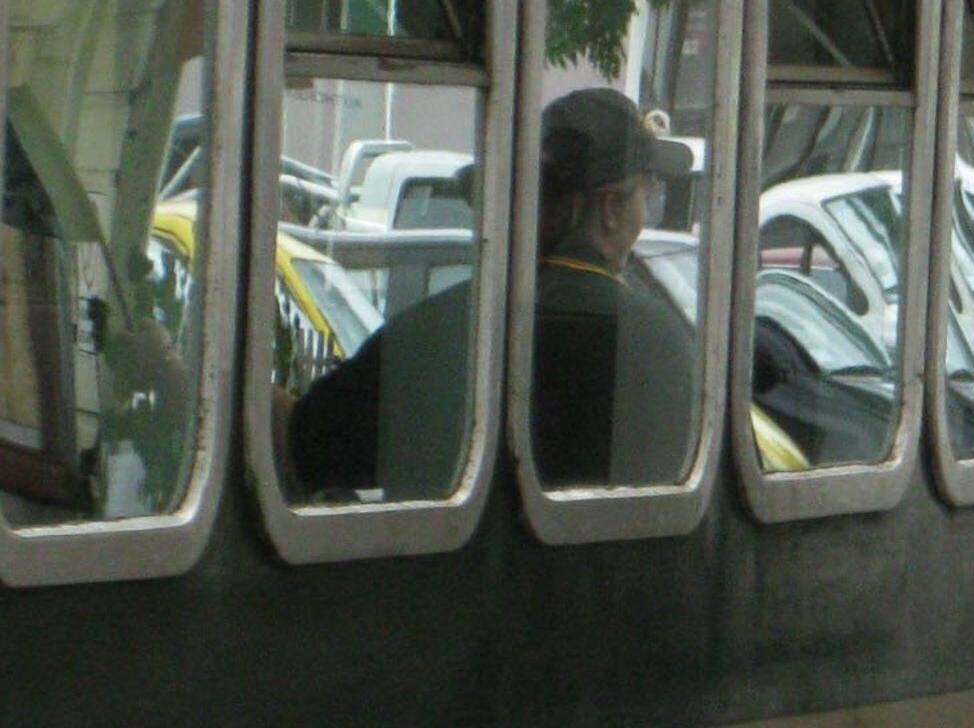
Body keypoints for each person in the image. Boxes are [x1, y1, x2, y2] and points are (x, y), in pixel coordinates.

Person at [286, 89, 699, 499]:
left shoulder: (433, 330)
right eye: (647, 196)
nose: (646, 215)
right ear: (610, 207)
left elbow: (307, 447)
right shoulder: (664, 342)